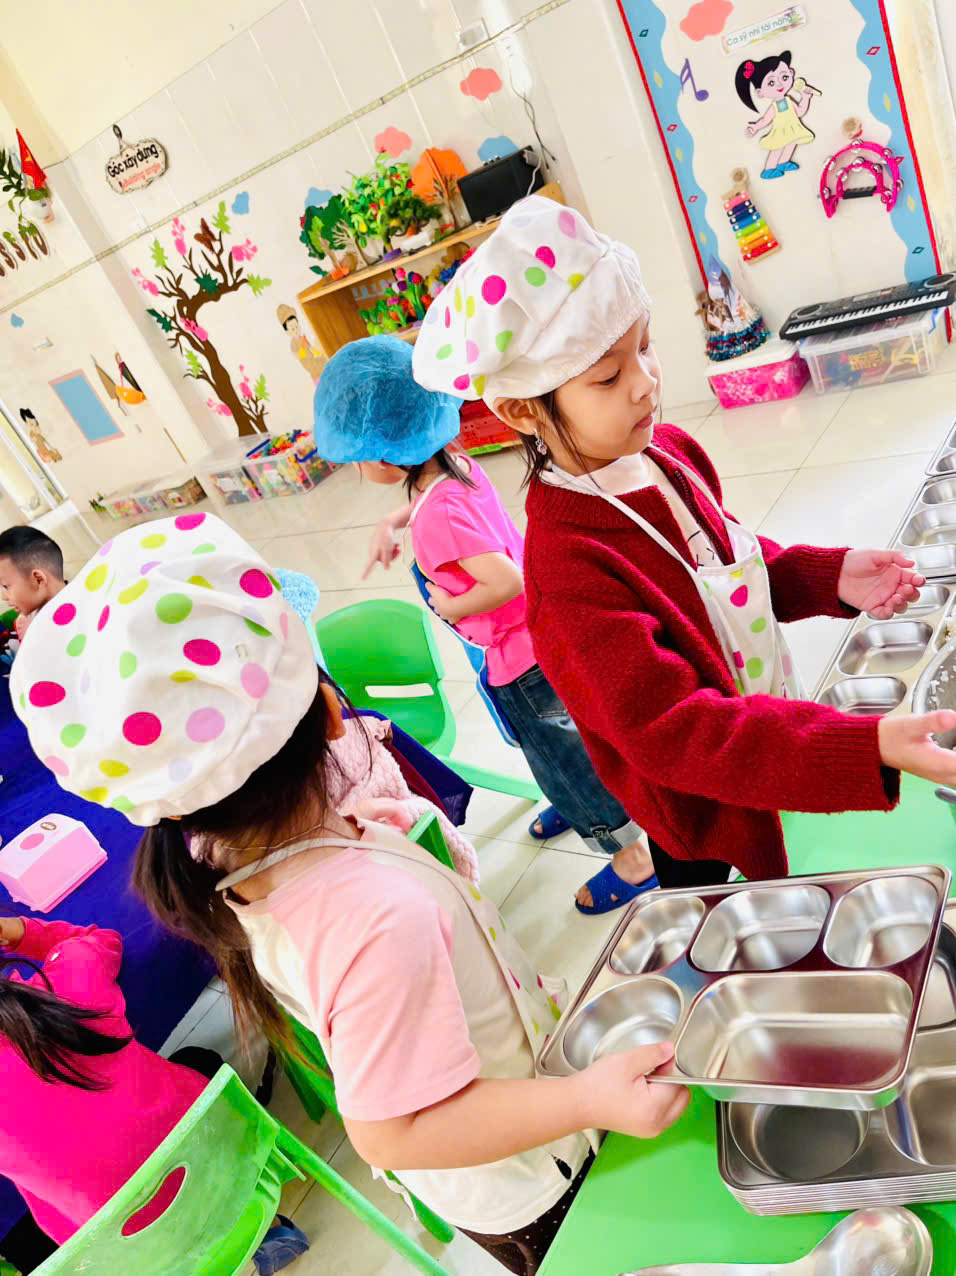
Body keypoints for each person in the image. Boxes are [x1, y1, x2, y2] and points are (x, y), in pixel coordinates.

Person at [11, 513, 689, 1276]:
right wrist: (590, 1100)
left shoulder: (236, 860)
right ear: (334, 716)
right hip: (527, 1176)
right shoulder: (372, 916)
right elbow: (391, 1131)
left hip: (514, 1126)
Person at [412, 194, 956, 888]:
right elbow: (680, 732)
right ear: (523, 410)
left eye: (644, 347)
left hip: (769, 743)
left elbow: (724, 562)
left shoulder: (668, 453)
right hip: (706, 816)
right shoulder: (567, 573)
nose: (645, 384)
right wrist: (861, 747)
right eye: (608, 376)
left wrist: (826, 577)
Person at [312, 336, 659, 913]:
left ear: (384, 459)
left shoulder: (438, 519)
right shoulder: (457, 472)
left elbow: (506, 580)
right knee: (554, 747)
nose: (358, 469)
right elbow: (443, 509)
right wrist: (396, 521)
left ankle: (632, 854)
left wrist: (454, 608)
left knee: (565, 757)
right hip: (537, 640)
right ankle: (573, 802)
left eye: (356, 460)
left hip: (522, 662)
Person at [0, 913, 309, 1275]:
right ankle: (268, 1229)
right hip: (232, 1167)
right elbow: (97, 940)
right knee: (197, 1062)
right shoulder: (65, 991)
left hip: (138, 1255)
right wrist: (20, 932)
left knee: (33, 1220)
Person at [0, 525, 66, 642]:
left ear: (38, 579)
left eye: (6, 586)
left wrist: (36, 636)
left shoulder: (85, 604)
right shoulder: (24, 621)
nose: (3, 597)